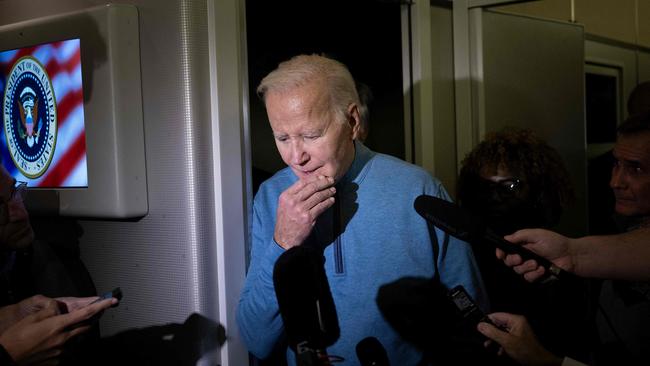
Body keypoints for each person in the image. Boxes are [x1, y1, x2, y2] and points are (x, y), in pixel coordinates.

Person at [236, 54, 486, 365]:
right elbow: (255, 338)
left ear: (352, 121)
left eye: (311, 135)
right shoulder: (270, 196)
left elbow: (473, 317)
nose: (295, 157)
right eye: (282, 138)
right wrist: (283, 243)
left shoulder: (418, 189)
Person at [488, 112, 650, 365]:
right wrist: (568, 255)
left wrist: (543, 360)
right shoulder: (617, 229)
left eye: (636, 168)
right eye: (616, 164)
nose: (615, 182)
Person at [456, 128, 586, 361]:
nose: (495, 196)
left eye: (510, 186)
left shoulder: (559, 254)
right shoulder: (465, 247)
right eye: (486, 187)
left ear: (538, 188)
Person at [0, 165, 117, 364]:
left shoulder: (47, 260)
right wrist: (12, 354)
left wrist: (15, 315)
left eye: (14, 193)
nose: (20, 213)